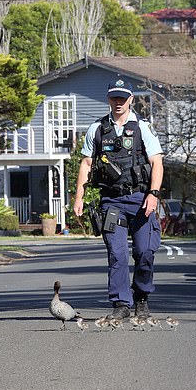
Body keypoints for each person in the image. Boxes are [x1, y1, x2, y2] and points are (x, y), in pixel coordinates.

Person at [73, 78, 164, 320]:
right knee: (118, 253)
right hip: (112, 202)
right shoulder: (97, 129)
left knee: (145, 252)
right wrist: (79, 197)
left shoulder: (142, 128)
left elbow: (157, 162)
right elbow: (86, 163)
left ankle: (142, 297)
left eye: (123, 98)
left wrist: (153, 194)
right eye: (114, 98)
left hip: (140, 200)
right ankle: (121, 304)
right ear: (108, 99)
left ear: (131, 100)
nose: (118, 102)